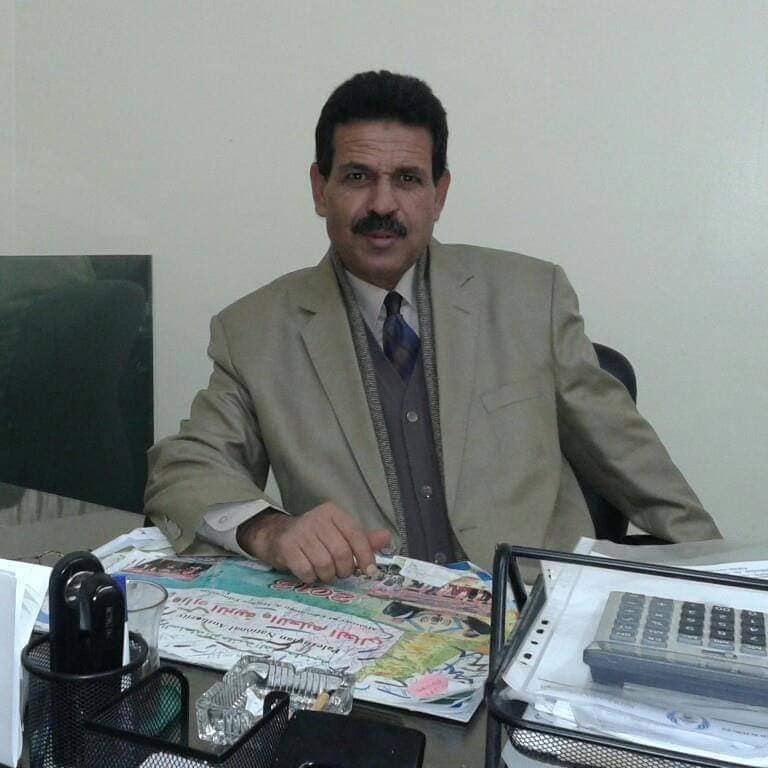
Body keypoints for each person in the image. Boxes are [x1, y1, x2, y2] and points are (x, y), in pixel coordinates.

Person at [145, 70, 720, 584]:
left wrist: (731, 583)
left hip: (531, 612)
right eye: (357, 176)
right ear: (320, 189)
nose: (383, 204)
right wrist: (270, 530)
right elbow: (184, 468)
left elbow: (634, 464)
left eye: (408, 179)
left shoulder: (531, 298)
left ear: (439, 194)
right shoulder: (254, 331)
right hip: (365, 630)